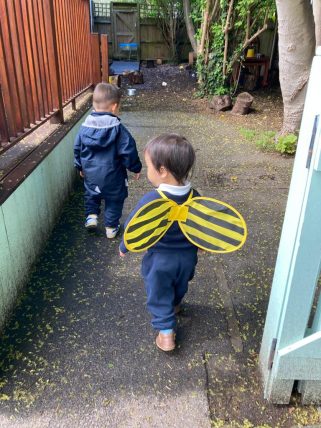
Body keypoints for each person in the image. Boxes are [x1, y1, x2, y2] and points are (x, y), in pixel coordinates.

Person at [119, 134, 199, 352]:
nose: (147, 172)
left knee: (158, 291)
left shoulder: (152, 200)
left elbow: (134, 225)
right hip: (188, 258)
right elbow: (202, 226)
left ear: (162, 170)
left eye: (148, 167)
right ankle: (174, 305)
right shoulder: (195, 196)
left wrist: (124, 246)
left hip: (159, 260)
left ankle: (165, 333)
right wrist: (200, 244)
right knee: (180, 285)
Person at [74, 83, 142, 238]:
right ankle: (111, 227)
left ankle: (91, 216)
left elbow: (77, 147)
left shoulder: (84, 127)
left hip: (91, 173)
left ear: (93, 104)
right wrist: (135, 167)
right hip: (113, 175)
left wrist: (79, 166)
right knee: (114, 199)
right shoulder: (118, 129)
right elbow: (128, 150)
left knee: (92, 194)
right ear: (114, 107)